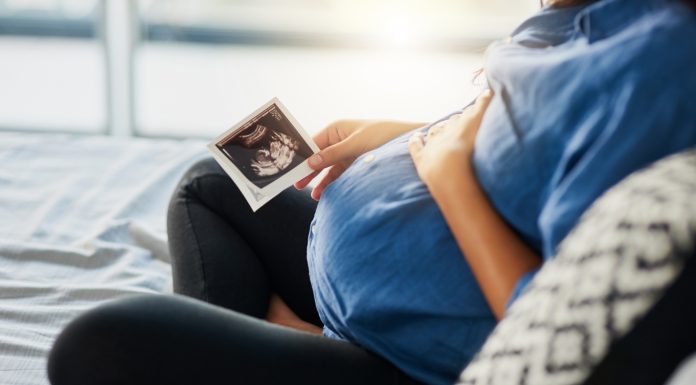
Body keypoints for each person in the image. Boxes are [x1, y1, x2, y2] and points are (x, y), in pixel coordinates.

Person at [47, 0, 696, 384]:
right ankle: (295, 337)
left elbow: (549, 321)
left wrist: (449, 174)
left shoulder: (661, 67)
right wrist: (413, 132)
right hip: (372, 296)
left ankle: (299, 340)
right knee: (214, 184)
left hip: (409, 360)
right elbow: (536, 141)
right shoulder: (592, 15)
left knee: (98, 344)